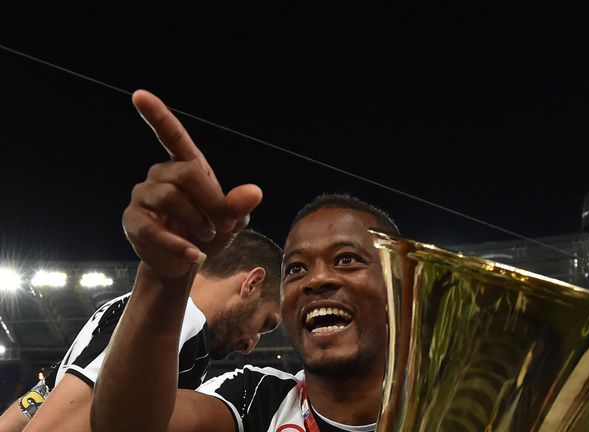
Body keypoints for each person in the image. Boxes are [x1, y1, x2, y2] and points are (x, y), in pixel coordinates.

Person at [90, 90, 399, 432]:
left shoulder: (458, 405)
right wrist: (163, 279)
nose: (315, 280)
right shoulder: (255, 397)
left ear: (399, 290)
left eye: (346, 259)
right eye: (296, 268)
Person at [0, 229, 283, 432]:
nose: (251, 344)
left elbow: (32, 406)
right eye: (265, 324)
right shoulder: (181, 321)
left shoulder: (131, 310)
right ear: (252, 283)